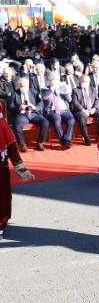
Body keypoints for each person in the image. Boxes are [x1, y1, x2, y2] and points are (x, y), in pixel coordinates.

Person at [0, 101, 35, 239]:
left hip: (0, 169)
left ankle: (0, 225)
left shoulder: (2, 126)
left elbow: (13, 150)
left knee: (2, 197)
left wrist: (22, 170)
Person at [9, 76, 48, 151]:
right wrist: (19, 108)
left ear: (28, 85)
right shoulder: (14, 93)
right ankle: (22, 145)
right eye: (21, 86)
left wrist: (34, 107)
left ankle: (40, 143)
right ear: (19, 85)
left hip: (33, 113)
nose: (23, 87)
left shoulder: (33, 92)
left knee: (45, 122)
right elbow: (11, 106)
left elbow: (41, 104)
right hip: (22, 114)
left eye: (25, 86)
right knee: (17, 125)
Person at [71, 74, 99, 146]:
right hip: (81, 110)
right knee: (82, 118)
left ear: (89, 82)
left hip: (92, 109)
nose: (85, 83)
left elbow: (97, 100)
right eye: (83, 81)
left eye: (86, 81)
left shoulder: (93, 89)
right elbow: (75, 102)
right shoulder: (75, 90)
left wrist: (94, 108)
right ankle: (86, 138)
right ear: (80, 81)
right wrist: (83, 110)